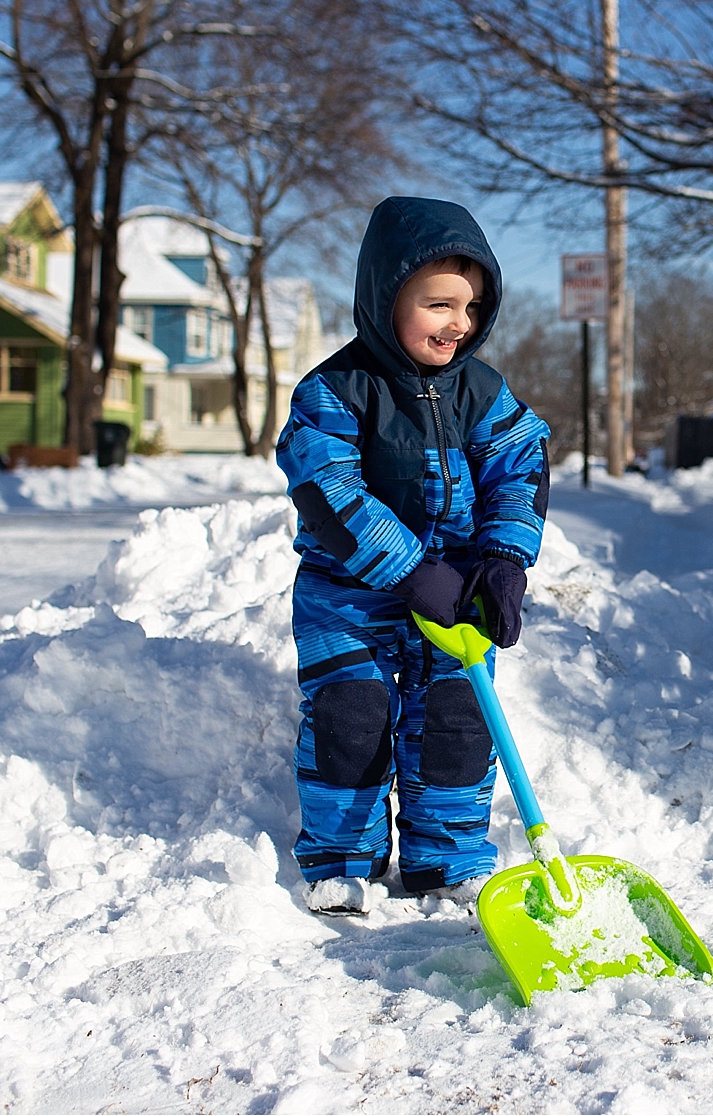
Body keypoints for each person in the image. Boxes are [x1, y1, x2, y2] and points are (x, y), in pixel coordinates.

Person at [276, 197, 551, 915]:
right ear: (385, 295)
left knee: (459, 720)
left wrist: (503, 559)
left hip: (457, 597)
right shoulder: (332, 392)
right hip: (349, 597)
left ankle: (448, 858)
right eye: (438, 303)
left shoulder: (482, 392)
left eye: (472, 305)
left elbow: (521, 464)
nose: (459, 322)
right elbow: (327, 488)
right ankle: (343, 860)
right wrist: (410, 571)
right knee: (352, 717)